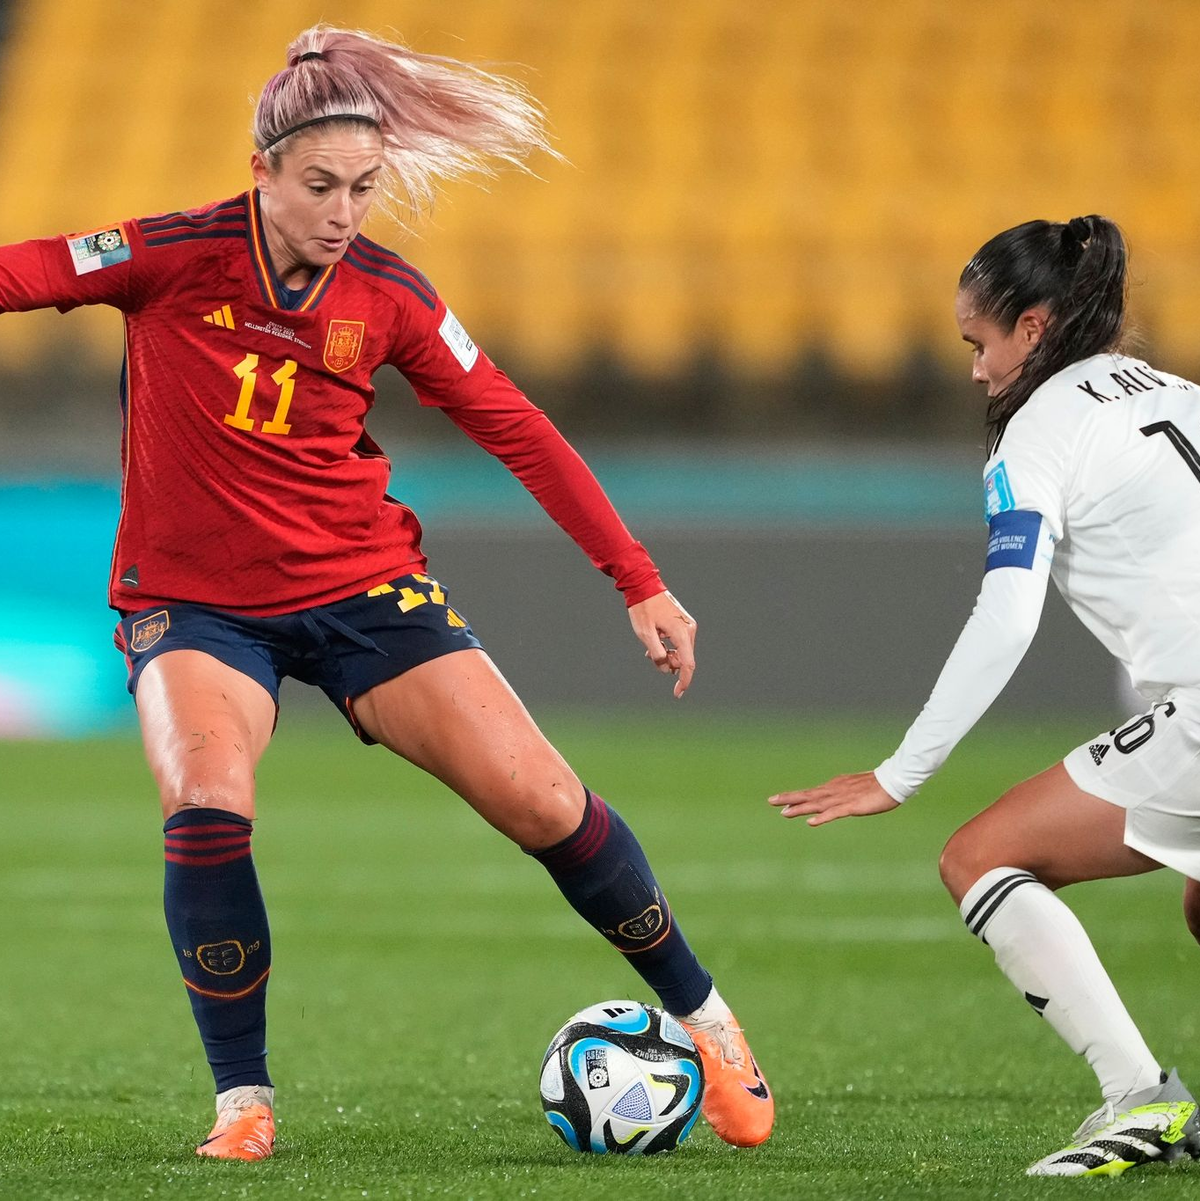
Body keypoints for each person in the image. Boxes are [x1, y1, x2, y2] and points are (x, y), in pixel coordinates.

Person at [0, 25, 773, 1158]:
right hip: (196, 605)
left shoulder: (390, 297)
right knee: (207, 799)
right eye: (319, 184)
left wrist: (637, 579)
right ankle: (244, 1103)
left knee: (543, 800)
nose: (343, 209)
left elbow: (517, 427)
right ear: (260, 169)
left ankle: (708, 1020)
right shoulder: (168, 253)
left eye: (363, 187)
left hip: (362, 586)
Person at [769, 215, 1200, 1177]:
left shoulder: (1038, 432)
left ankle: (1141, 1100)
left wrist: (901, 771)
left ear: (1036, 328)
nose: (973, 369)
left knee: (981, 856)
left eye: (980, 341)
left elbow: (1007, 616)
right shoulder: (1179, 390)